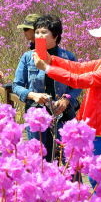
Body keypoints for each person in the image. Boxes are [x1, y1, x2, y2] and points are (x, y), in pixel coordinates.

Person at [33, 17, 101, 202]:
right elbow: (79, 68)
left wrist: (47, 69)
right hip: (100, 130)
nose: (100, 42)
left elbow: (79, 80)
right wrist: (52, 59)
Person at [12, 15, 81, 163]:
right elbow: (16, 85)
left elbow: (77, 84)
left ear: (55, 35)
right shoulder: (28, 57)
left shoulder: (67, 57)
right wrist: (32, 95)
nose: (39, 36)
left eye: (44, 32)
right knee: (41, 159)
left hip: (63, 115)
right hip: (37, 115)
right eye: (37, 32)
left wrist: (67, 100)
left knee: (68, 159)